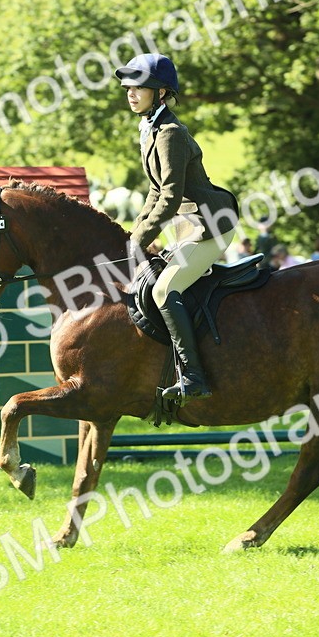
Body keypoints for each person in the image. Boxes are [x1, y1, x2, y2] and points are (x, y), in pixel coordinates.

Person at [115, 52, 238, 403]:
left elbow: (169, 197)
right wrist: (132, 234)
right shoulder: (151, 129)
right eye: (128, 87)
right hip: (187, 227)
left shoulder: (170, 133)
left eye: (140, 87)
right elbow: (155, 191)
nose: (131, 93)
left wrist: (139, 240)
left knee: (163, 290)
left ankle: (195, 377)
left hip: (209, 225)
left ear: (163, 92)